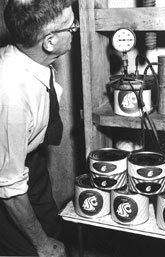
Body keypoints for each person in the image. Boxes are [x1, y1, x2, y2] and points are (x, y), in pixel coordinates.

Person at [0, 0, 79, 256]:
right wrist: (42, 245)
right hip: (8, 183)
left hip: (28, 162)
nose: (75, 29)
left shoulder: (32, 61)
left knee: (53, 227)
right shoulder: (10, 93)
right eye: (72, 27)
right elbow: (9, 187)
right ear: (49, 42)